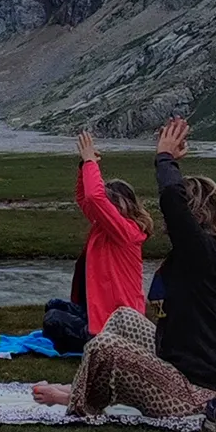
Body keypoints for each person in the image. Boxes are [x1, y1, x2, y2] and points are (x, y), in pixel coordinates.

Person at [34, 118, 216, 432]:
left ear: (194, 216)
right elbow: (91, 204)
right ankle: (79, 389)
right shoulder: (198, 254)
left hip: (190, 394)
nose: (167, 215)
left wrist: (165, 158)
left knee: (102, 345)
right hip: (178, 368)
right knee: (120, 319)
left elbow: (172, 201)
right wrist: (86, 165)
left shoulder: (198, 253)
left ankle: (76, 405)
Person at [71, 129, 152, 334]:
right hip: (110, 318)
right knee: (55, 311)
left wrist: (90, 162)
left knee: (57, 320)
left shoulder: (124, 231)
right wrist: (84, 166)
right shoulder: (107, 227)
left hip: (119, 322)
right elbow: (85, 200)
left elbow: (94, 198)